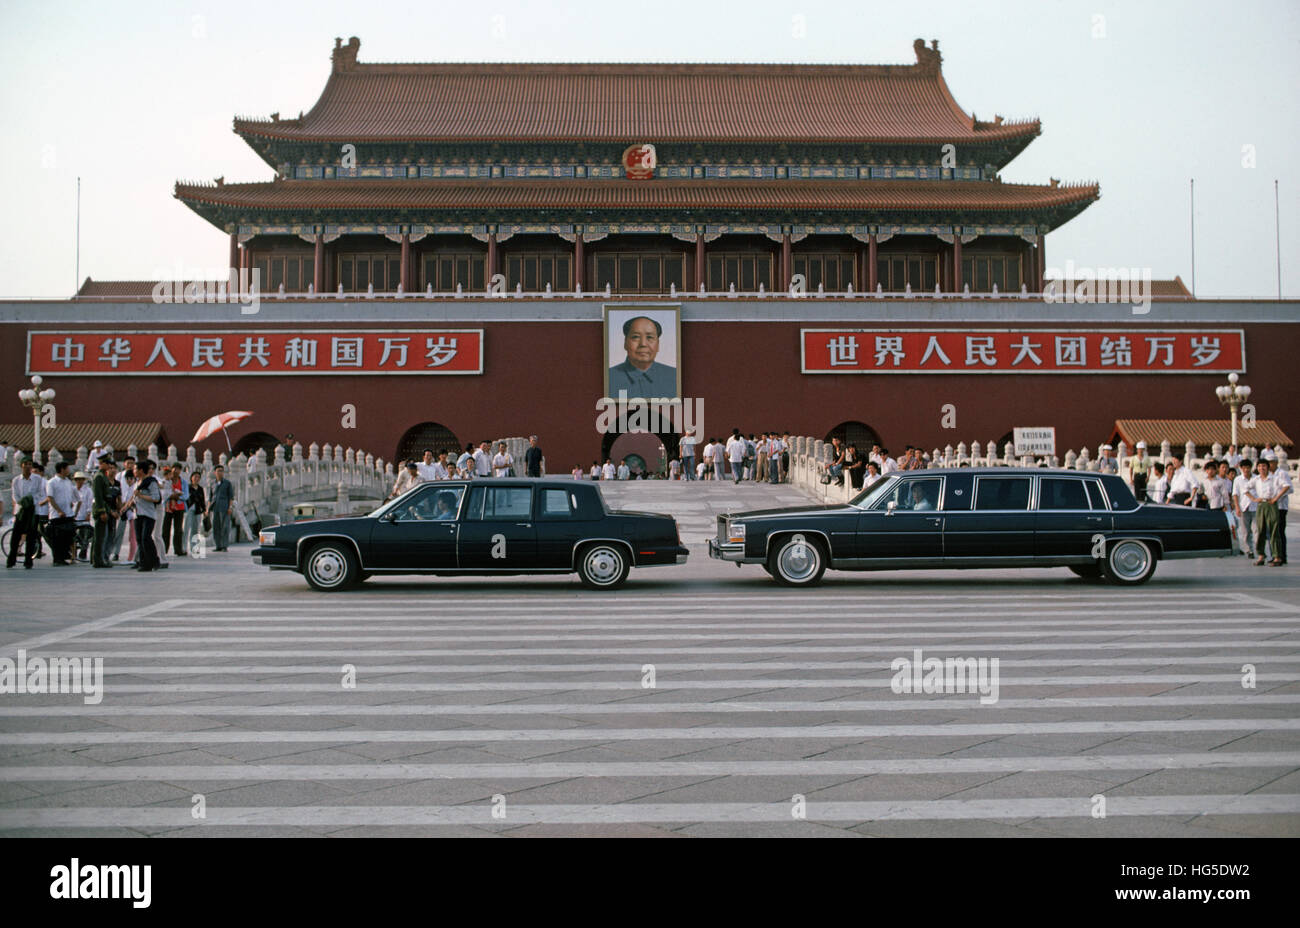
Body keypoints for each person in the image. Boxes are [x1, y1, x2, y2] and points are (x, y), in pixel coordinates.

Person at [608, 315, 677, 398]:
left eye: (650, 337)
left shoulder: (675, 376)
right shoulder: (608, 378)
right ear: (625, 343)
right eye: (635, 337)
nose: (643, 344)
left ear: (658, 344)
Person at [7, 457, 43, 569]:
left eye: (30, 464)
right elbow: (15, 495)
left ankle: (28, 561)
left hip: (33, 511)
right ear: (21, 465)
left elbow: (39, 493)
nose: (28, 466)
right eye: (26, 464)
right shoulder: (16, 480)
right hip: (21, 511)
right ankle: (11, 560)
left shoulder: (37, 479)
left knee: (31, 537)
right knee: (16, 537)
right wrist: (23, 502)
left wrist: (31, 500)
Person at [42, 461, 77, 566]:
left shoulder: (68, 481)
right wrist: (59, 510)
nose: (69, 470)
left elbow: (70, 496)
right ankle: (57, 559)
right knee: (57, 538)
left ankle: (64, 556)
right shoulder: (51, 482)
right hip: (57, 515)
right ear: (62, 469)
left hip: (68, 513)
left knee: (68, 536)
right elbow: (50, 498)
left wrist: (70, 505)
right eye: (67, 468)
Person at [132, 460, 163, 572]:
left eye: (135, 469)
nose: (133, 471)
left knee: (146, 537)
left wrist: (141, 495)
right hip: (138, 514)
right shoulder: (137, 483)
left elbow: (156, 498)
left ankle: (154, 560)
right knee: (140, 539)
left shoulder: (151, 483)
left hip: (149, 514)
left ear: (141, 470)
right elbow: (135, 497)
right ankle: (144, 563)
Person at [91, 457, 117, 568]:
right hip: (100, 510)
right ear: (102, 464)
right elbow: (98, 496)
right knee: (100, 537)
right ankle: (97, 561)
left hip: (106, 509)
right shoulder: (98, 477)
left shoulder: (103, 476)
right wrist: (102, 512)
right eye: (107, 464)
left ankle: (99, 559)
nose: (109, 467)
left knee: (103, 536)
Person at [208, 464, 234, 552]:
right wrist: (208, 509)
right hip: (215, 507)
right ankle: (218, 545)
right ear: (215, 472)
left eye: (222, 471)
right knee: (216, 527)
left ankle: (224, 545)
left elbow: (231, 497)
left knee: (225, 527)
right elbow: (210, 497)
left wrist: (230, 507)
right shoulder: (212, 483)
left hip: (225, 507)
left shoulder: (227, 483)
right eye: (218, 471)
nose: (220, 472)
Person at [1234, 459, 1257, 558]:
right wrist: (1237, 507)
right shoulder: (1238, 480)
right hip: (1244, 507)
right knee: (1246, 531)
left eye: (1248, 467)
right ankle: (1249, 550)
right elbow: (1235, 494)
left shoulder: (1256, 478)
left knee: (1257, 530)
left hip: (1256, 507)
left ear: (1251, 468)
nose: (1246, 470)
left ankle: (1258, 548)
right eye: (1244, 468)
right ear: (1241, 469)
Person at [72, 471, 94, 562]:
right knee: (74, 536)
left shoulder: (88, 490)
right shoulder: (72, 489)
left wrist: (88, 513)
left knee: (85, 535)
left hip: (84, 515)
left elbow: (89, 503)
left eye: (81, 479)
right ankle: (73, 554)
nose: (79, 481)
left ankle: (83, 552)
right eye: (77, 479)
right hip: (74, 515)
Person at [185, 468, 206, 556]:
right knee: (186, 528)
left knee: (195, 530)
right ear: (191, 478)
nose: (196, 479)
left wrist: (204, 510)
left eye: (198, 477)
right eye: (195, 477)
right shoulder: (188, 487)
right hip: (189, 509)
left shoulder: (200, 489)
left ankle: (194, 548)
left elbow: (202, 500)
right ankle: (183, 547)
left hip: (197, 510)